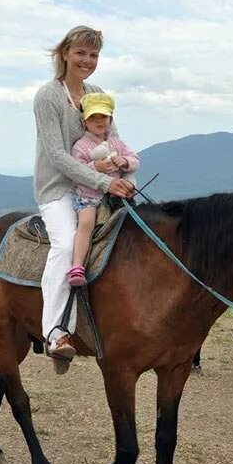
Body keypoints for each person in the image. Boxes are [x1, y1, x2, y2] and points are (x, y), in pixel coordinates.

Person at [33, 26, 134, 365]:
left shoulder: (97, 92)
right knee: (65, 244)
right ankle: (55, 332)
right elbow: (56, 155)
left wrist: (125, 173)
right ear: (64, 53)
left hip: (99, 185)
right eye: (80, 53)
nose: (87, 60)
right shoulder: (47, 96)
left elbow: (114, 140)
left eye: (93, 55)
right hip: (58, 188)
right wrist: (105, 183)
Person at [67, 92, 140, 286]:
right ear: (85, 121)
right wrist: (95, 168)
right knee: (86, 224)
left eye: (103, 117)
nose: (99, 121)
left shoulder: (116, 142)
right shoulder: (81, 147)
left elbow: (135, 161)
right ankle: (77, 266)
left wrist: (124, 162)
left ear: (110, 118)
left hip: (115, 195)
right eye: (93, 117)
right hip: (89, 197)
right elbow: (77, 172)